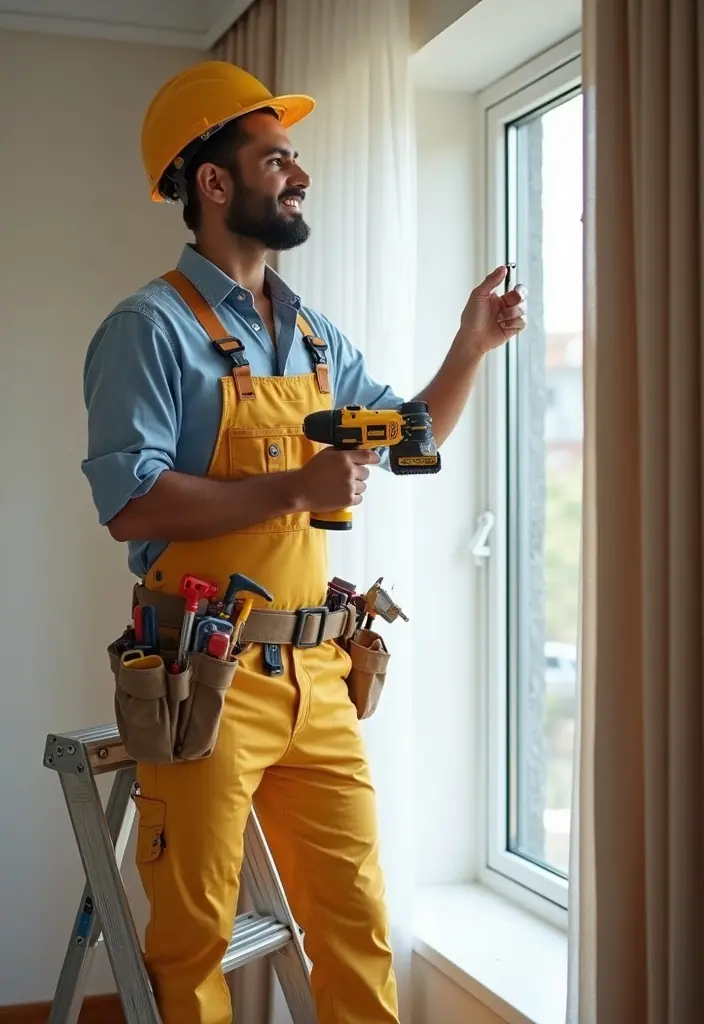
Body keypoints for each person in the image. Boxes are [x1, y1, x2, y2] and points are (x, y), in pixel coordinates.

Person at [81, 60, 527, 1024]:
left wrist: (471, 346)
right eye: (277, 157)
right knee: (192, 938)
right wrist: (293, 485)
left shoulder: (316, 338)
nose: (300, 175)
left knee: (357, 923)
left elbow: (407, 438)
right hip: (201, 677)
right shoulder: (148, 330)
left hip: (318, 676)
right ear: (213, 182)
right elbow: (131, 501)